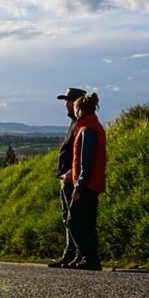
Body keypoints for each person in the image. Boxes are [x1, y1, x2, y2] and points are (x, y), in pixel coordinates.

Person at [66, 92, 106, 270]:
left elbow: (86, 162)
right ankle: (91, 258)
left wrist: (79, 187)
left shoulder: (87, 130)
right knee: (88, 223)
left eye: (75, 108)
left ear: (80, 110)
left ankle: (87, 256)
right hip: (94, 183)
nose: (74, 112)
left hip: (86, 184)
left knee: (73, 221)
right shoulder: (94, 126)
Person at [48, 87, 86, 268]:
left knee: (73, 218)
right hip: (67, 177)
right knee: (67, 217)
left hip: (72, 178)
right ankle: (71, 253)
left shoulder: (80, 124)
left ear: (76, 102)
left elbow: (80, 153)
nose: (65, 104)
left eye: (68, 100)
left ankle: (77, 253)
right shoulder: (74, 122)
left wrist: (71, 172)